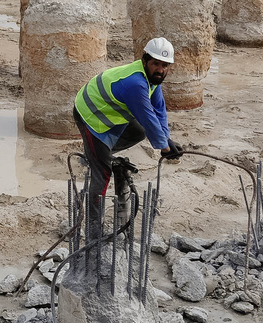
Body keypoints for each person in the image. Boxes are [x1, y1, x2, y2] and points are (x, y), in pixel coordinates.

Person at [73, 36, 184, 209]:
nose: (160, 70)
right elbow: (148, 118)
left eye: (165, 65)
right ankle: (93, 223)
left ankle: (95, 154)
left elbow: (159, 110)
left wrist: (166, 138)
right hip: (91, 114)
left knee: (138, 132)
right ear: (145, 61)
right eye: (156, 63)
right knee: (103, 173)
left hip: (108, 110)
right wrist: (164, 148)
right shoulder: (136, 84)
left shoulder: (152, 79)